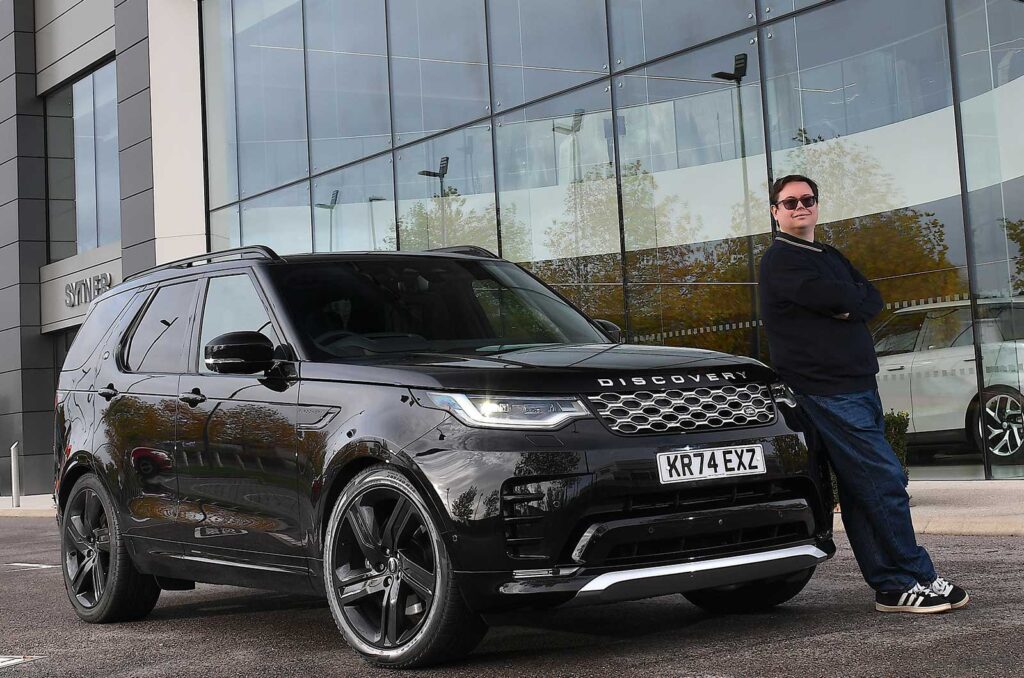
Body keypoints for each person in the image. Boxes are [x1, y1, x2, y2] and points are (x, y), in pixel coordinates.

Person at [758, 174, 969, 614]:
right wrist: (846, 300)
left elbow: (870, 299)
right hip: (826, 389)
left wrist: (848, 302)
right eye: (790, 202)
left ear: (817, 204)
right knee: (885, 480)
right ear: (775, 212)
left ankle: (891, 587)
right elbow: (838, 297)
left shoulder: (828, 254)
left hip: (859, 383)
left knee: (860, 489)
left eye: (808, 199)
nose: (800, 207)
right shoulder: (780, 260)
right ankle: (920, 576)